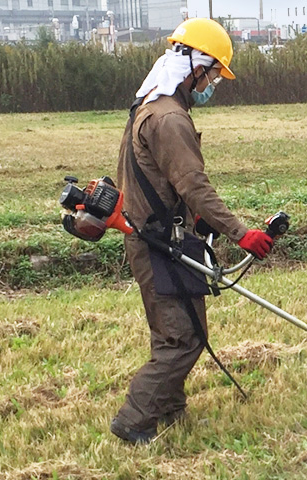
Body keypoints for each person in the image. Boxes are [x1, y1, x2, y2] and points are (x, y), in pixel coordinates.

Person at [108, 18, 276, 444]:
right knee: (183, 339)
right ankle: (133, 421)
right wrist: (241, 233)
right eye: (215, 73)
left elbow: (160, 180)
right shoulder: (169, 118)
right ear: (195, 67)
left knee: (176, 332)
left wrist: (194, 219)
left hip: (159, 233)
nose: (214, 83)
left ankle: (170, 411)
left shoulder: (149, 105)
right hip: (157, 241)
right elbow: (192, 184)